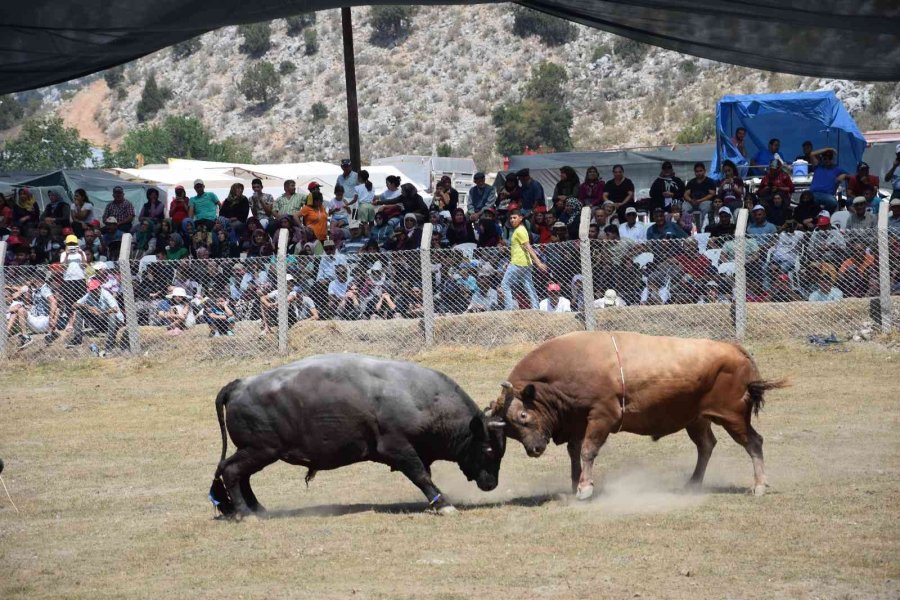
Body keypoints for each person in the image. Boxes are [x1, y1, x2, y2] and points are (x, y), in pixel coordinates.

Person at [500, 209, 546, 310]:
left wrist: (538, 262)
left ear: (521, 218)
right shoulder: (521, 229)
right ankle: (535, 308)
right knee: (528, 285)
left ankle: (508, 309)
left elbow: (528, 247)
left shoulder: (520, 230)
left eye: (514, 218)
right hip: (525, 262)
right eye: (511, 218)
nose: (512, 220)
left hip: (518, 262)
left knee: (505, 285)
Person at [65, 278, 124, 352]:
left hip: (115, 322)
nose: (93, 292)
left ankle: (109, 345)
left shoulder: (106, 294)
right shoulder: (89, 295)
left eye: (95, 290)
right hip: (101, 322)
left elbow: (115, 309)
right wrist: (87, 306)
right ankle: (77, 339)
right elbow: (74, 305)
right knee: (79, 311)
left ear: (99, 288)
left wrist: (100, 313)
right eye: (92, 290)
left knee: (111, 315)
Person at [6, 274, 59, 348]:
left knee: (57, 309)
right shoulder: (34, 289)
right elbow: (28, 300)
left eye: (31, 278)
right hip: (35, 320)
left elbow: (54, 302)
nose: (29, 280)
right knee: (20, 309)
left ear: (37, 279)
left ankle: (49, 334)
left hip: (45, 321)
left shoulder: (44, 289)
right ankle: (25, 336)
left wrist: (51, 318)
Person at [351, 170, 376, 236]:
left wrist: (348, 204)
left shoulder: (357, 187)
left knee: (364, 224)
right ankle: (373, 235)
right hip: (371, 206)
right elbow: (373, 198)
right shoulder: (371, 186)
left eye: (358, 177)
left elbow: (354, 200)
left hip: (362, 206)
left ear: (360, 178)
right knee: (371, 223)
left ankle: (366, 236)